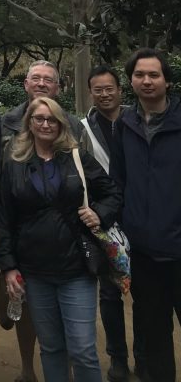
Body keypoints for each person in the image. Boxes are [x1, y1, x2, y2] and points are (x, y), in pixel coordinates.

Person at [0, 97, 121, 382]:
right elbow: (4, 218)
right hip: (34, 270)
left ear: (62, 124)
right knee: (51, 348)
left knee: (83, 349)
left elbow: (112, 192)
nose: (45, 124)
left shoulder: (77, 157)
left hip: (76, 266)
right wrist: (8, 266)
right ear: (29, 123)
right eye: (38, 118)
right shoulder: (15, 164)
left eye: (52, 119)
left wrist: (99, 213)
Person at [0, 59, 86, 382]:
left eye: (48, 79)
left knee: (65, 310)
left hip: (68, 235)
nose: (40, 83)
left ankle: (64, 369)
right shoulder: (6, 124)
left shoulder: (74, 126)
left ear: (57, 87)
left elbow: (91, 180)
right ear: (25, 84)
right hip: (22, 231)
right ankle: (26, 367)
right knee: (24, 306)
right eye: (34, 78)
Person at [111, 48, 181, 382]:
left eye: (154, 75)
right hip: (143, 253)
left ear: (167, 81)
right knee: (155, 338)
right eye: (139, 75)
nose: (147, 81)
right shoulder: (123, 125)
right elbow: (118, 183)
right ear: (131, 82)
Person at [82, 65, 140, 382]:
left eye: (110, 88)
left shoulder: (136, 121)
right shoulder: (83, 128)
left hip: (140, 216)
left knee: (145, 292)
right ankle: (117, 357)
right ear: (91, 92)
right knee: (109, 292)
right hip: (105, 221)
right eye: (98, 89)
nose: (105, 94)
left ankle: (144, 354)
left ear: (120, 89)